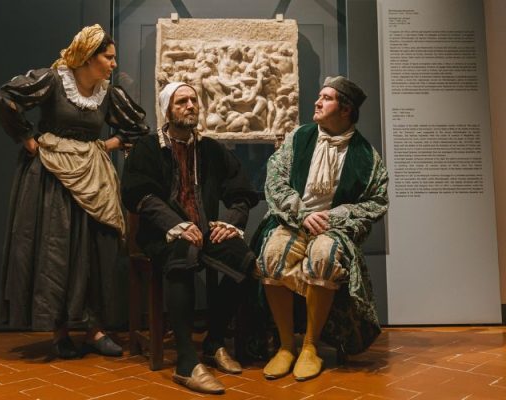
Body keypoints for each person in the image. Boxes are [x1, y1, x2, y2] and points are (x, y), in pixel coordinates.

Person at [0, 24, 149, 359]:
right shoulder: (53, 81)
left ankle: (94, 328)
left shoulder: (107, 93)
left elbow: (137, 127)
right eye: (108, 57)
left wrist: (104, 146)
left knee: (96, 248)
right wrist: (27, 138)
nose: (114, 64)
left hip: (92, 177)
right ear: (89, 57)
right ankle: (59, 329)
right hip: (52, 176)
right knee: (56, 249)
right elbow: (6, 98)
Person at [121, 82, 258, 394]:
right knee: (182, 258)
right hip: (162, 234)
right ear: (167, 110)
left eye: (193, 100)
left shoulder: (211, 150)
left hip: (205, 230)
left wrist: (230, 223)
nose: (190, 106)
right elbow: (140, 195)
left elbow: (241, 193)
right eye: (181, 101)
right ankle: (186, 363)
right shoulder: (147, 148)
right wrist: (176, 224)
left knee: (247, 263)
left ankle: (214, 341)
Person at [252, 76, 389, 381]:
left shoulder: (367, 157)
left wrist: (336, 216)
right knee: (273, 254)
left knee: (324, 257)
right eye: (320, 96)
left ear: (346, 110)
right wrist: (302, 214)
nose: (317, 102)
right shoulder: (298, 138)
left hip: (332, 227)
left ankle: (310, 346)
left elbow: (377, 201)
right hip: (294, 221)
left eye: (326, 98)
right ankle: (286, 345)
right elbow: (275, 179)